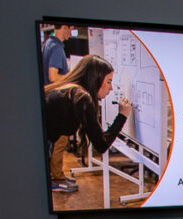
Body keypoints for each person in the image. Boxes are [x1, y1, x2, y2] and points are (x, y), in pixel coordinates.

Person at [43, 55, 132, 193]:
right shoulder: (82, 97)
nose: (111, 88)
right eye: (108, 81)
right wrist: (122, 115)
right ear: (95, 79)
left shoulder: (71, 90)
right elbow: (101, 144)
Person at [41, 24, 73, 191]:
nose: (71, 32)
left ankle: (57, 174)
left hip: (48, 100)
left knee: (53, 141)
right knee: (60, 139)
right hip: (54, 100)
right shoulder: (56, 48)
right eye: (70, 28)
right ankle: (57, 179)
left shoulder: (48, 44)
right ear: (64, 28)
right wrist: (71, 77)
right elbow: (53, 76)